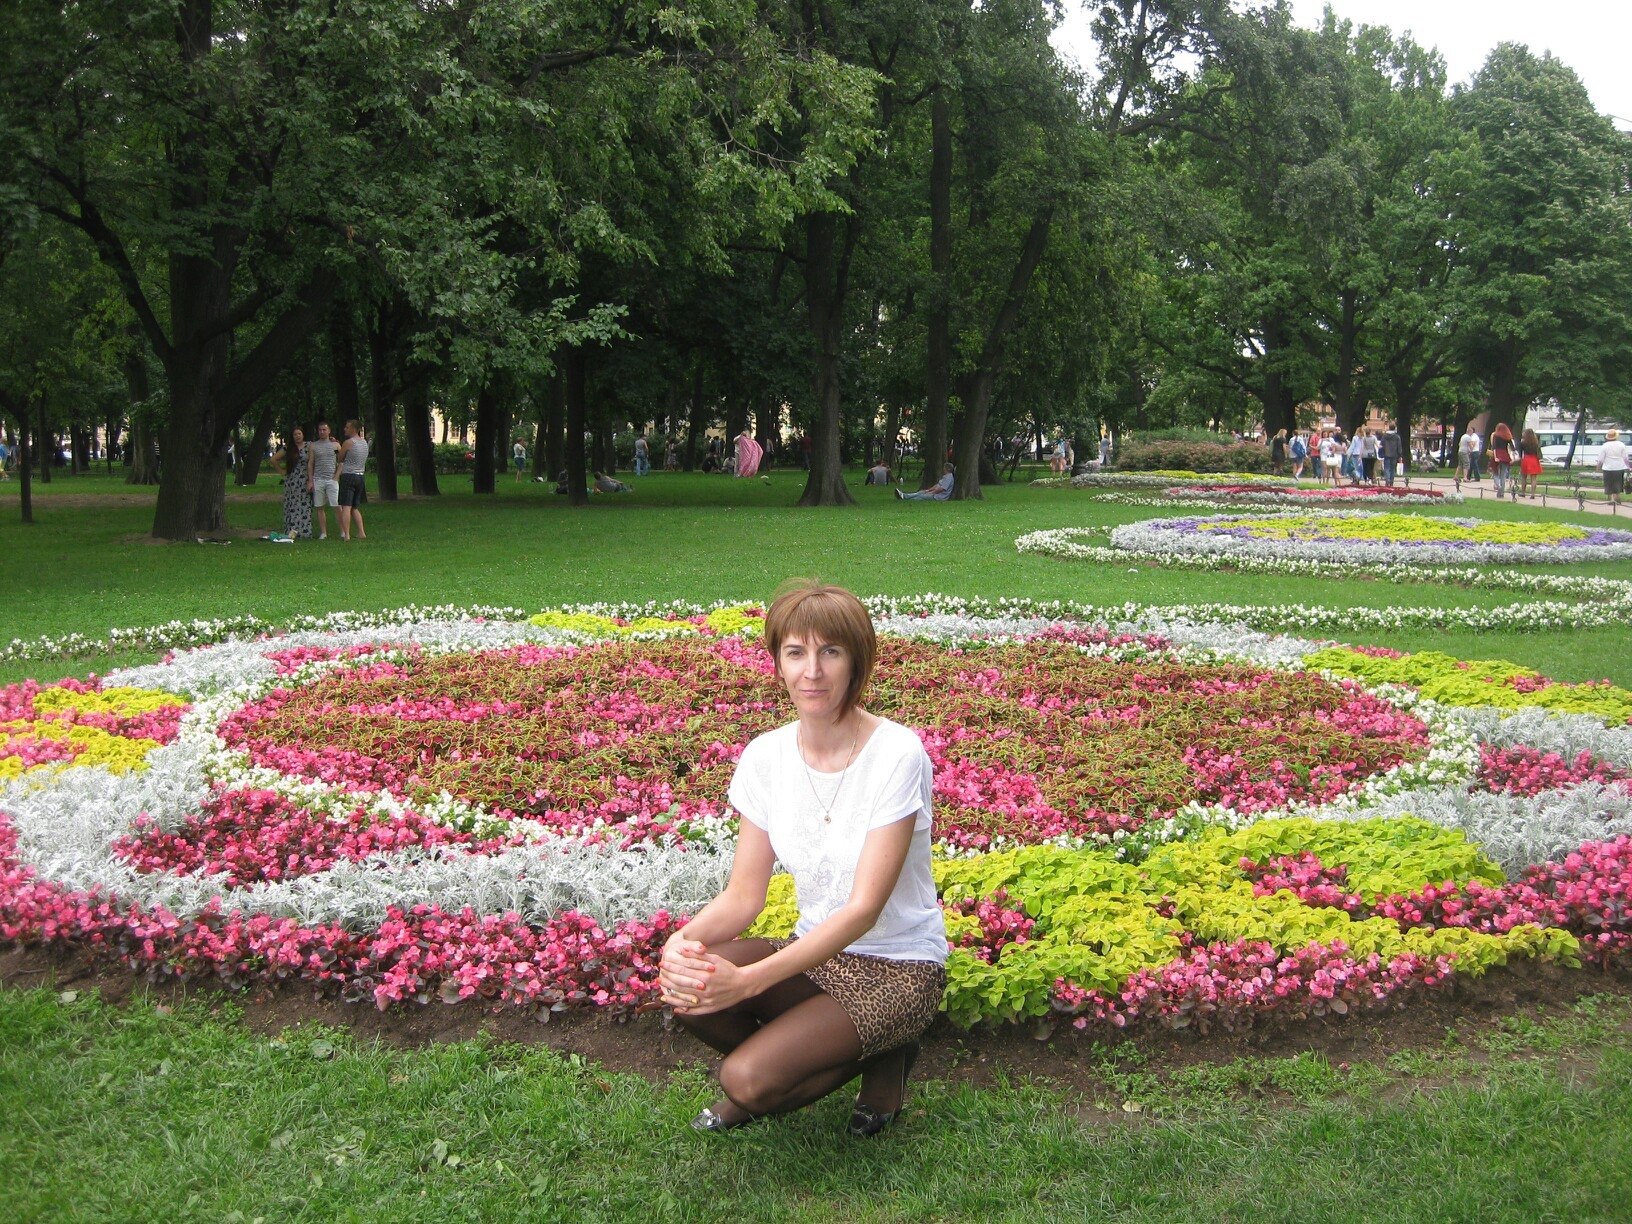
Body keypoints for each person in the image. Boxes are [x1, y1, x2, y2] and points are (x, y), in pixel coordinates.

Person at [662, 581, 946, 1137]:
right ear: (778, 662)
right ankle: (823, 1055)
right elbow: (743, 895)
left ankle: (880, 1052)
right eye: (796, 652)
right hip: (816, 953)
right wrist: (682, 944)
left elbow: (863, 909)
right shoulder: (765, 757)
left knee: (745, 1080)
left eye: (830, 652)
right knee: (691, 990)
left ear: (857, 662)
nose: (811, 671)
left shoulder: (896, 753)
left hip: (900, 964)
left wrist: (748, 982)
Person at [271, 428, 312, 539]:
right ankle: (291, 530)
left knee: (304, 504)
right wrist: (282, 471)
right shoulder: (288, 448)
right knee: (292, 504)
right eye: (295, 434)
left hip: (304, 479)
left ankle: (304, 531)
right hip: (292, 480)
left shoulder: (309, 446)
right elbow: (273, 459)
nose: (297, 436)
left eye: (299, 433)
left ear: (303, 434)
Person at [305, 421, 342, 540]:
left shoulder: (335, 445)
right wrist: (310, 480)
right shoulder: (313, 446)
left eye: (324, 430)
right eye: (320, 430)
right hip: (318, 479)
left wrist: (336, 476)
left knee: (336, 505)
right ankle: (323, 532)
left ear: (329, 431)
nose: (322, 432)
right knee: (319, 506)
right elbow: (310, 463)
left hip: (332, 479)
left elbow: (341, 461)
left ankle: (343, 530)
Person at [336, 419, 369, 541]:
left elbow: (340, 458)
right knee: (354, 507)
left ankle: (347, 535)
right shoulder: (364, 442)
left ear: (354, 429)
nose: (345, 429)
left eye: (347, 427)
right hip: (360, 476)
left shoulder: (348, 442)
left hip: (348, 475)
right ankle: (361, 532)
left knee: (346, 506)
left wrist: (338, 447)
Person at [1597, 428, 1627, 508]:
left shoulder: (1605, 446)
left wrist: (1598, 467)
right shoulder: (1621, 445)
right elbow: (1625, 457)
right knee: (1618, 483)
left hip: (1608, 468)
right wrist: (1628, 467)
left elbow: (1601, 459)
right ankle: (1618, 498)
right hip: (1619, 467)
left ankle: (1611, 500)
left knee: (1609, 484)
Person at [1488, 423, 1515, 497]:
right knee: (1503, 474)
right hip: (1505, 455)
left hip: (1497, 454)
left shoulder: (1496, 436)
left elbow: (1494, 447)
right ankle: (1501, 493)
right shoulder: (1507, 436)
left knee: (1495, 472)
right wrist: (1513, 457)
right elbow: (1513, 448)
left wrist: (1495, 457)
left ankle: (1498, 484)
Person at [1519, 427, 1544, 498]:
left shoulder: (1523, 442)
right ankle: (1532, 494)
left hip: (1526, 460)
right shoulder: (1536, 442)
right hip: (1534, 460)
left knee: (1524, 477)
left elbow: (1520, 453)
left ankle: (1523, 492)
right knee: (1533, 478)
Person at [1380, 423, 1403, 488]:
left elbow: (1381, 445)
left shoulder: (1384, 436)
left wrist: (1381, 453)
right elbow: (1399, 446)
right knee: (1392, 469)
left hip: (1386, 454)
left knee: (1386, 468)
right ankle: (1391, 482)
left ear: (1389, 427)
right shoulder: (1397, 436)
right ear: (1394, 428)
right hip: (1394, 454)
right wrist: (1400, 455)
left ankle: (1387, 481)